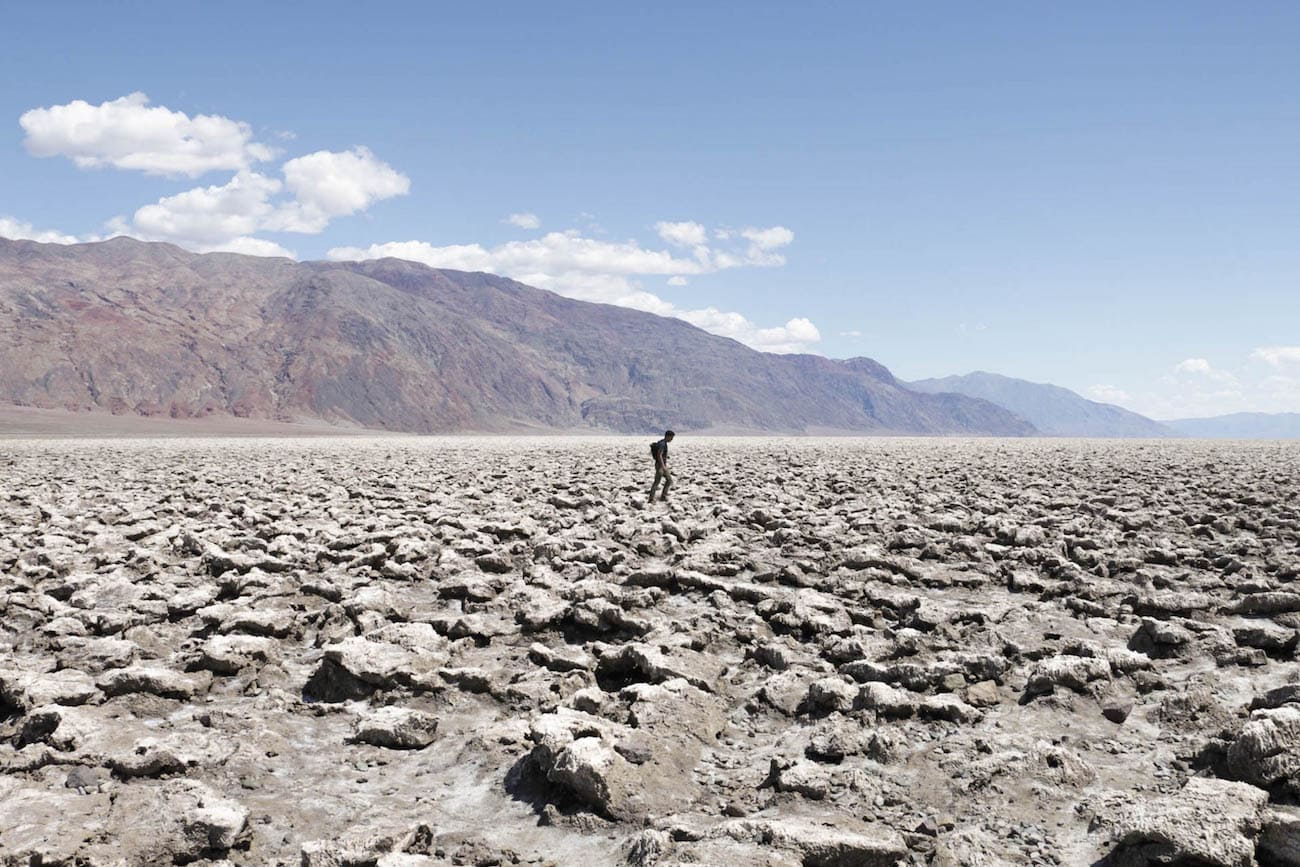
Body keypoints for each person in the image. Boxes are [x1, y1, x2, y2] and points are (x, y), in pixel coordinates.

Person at [648, 430, 675, 503]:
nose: (672, 439)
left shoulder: (662, 443)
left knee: (669, 480)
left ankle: (663, 496)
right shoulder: (662, 444)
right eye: (671, 438)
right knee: (657, 481)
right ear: (668, 436)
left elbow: (661, 454)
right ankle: (651, 499)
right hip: (660, 466)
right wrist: (663, 466)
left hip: (661, 465)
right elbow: (659, 455)